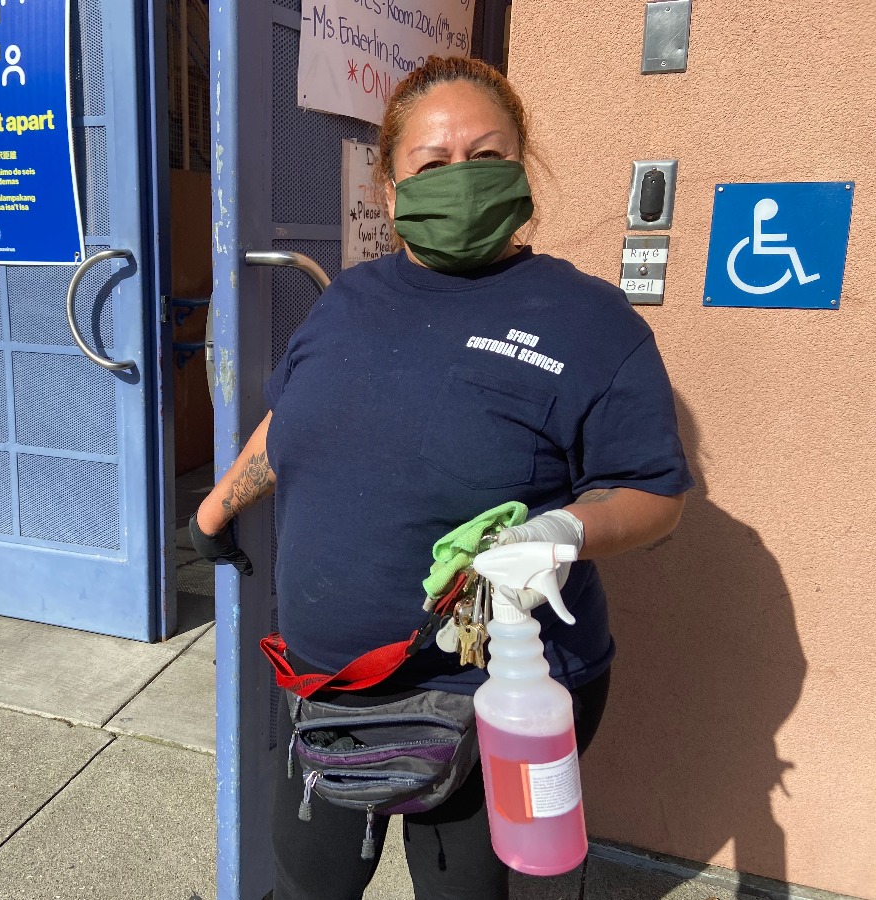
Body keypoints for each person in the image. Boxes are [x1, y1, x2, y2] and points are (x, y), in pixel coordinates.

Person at [190, 55, 692, 900]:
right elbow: (292, 422)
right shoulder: (346, 299)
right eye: (431, 163)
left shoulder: (589, 320)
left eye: (486, 157)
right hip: (328, 688)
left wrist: (563, 530)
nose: (460, 178)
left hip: (488, 702)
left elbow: (654, 493)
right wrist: (213, 509)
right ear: (390, 191)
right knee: (304, 885)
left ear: (522, 167)